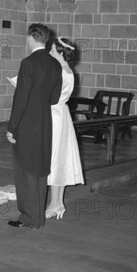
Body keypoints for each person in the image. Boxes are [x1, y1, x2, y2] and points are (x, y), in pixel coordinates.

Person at [6, 23, 63, 229]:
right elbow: (55, 98)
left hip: (27, 122)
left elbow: (20, 98)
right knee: (40, 167)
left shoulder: (28, 63)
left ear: (31, 37)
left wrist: (12, 127)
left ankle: (30, 217)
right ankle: (37, 216)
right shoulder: (55, 64)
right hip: (44, 121)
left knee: (25, 168)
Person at [46, 37, 85, 219]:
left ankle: (55, 204)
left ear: (61, 53)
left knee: (54, 160)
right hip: (63, 115)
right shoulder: (68, 71)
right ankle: (57, 203)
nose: (50, 53)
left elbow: (49, 96)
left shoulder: (58, 72)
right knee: (60, 159)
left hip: (54, 115)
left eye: (52, 50)